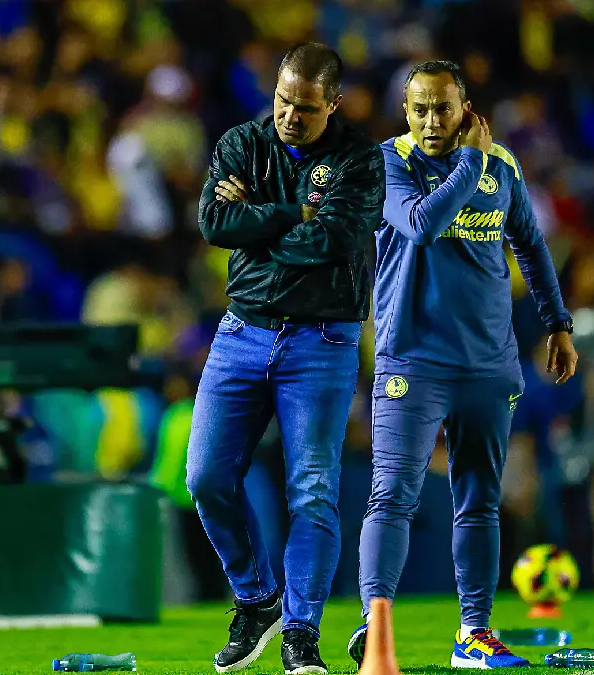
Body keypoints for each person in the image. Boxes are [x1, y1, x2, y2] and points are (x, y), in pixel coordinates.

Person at [348, 61, 577, 669]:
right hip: (412, 362)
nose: (429, 120)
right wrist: (468, 164)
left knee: (479, 500)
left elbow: (529, 242)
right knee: (391, 496)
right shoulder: (387, 164)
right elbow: (421, 226)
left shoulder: (503, 166)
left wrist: (558, 323)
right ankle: (377, 629)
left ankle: (474, 634)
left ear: (464, 108)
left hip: (489, 364)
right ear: (404, 111)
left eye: (441, 109)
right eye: (418, 108)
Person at [189, 42, 384, 674]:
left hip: (322, 341)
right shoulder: (241, 143)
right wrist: (290, 213)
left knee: (312, 491)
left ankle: (302, 630)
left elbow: (336, 241)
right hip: (241, 333)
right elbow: (215, 223)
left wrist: (259, 222)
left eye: (304, 107)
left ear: (333, 103)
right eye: (281, 100)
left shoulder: (357, 159)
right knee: (206, 479)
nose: (289, 117)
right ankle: (256, 598)